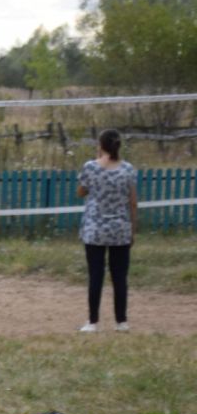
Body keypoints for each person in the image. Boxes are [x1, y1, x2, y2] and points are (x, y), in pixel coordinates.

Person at [78, 128, 138, 334]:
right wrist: (133, 230)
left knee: (96, 276)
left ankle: (92, 322)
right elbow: (133, 203)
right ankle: (121, 322)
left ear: (101, 146)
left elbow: (81, 191)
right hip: (120, 228)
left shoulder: (91, 168)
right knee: (120, 277)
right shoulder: (128, 169)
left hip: (95, 229)